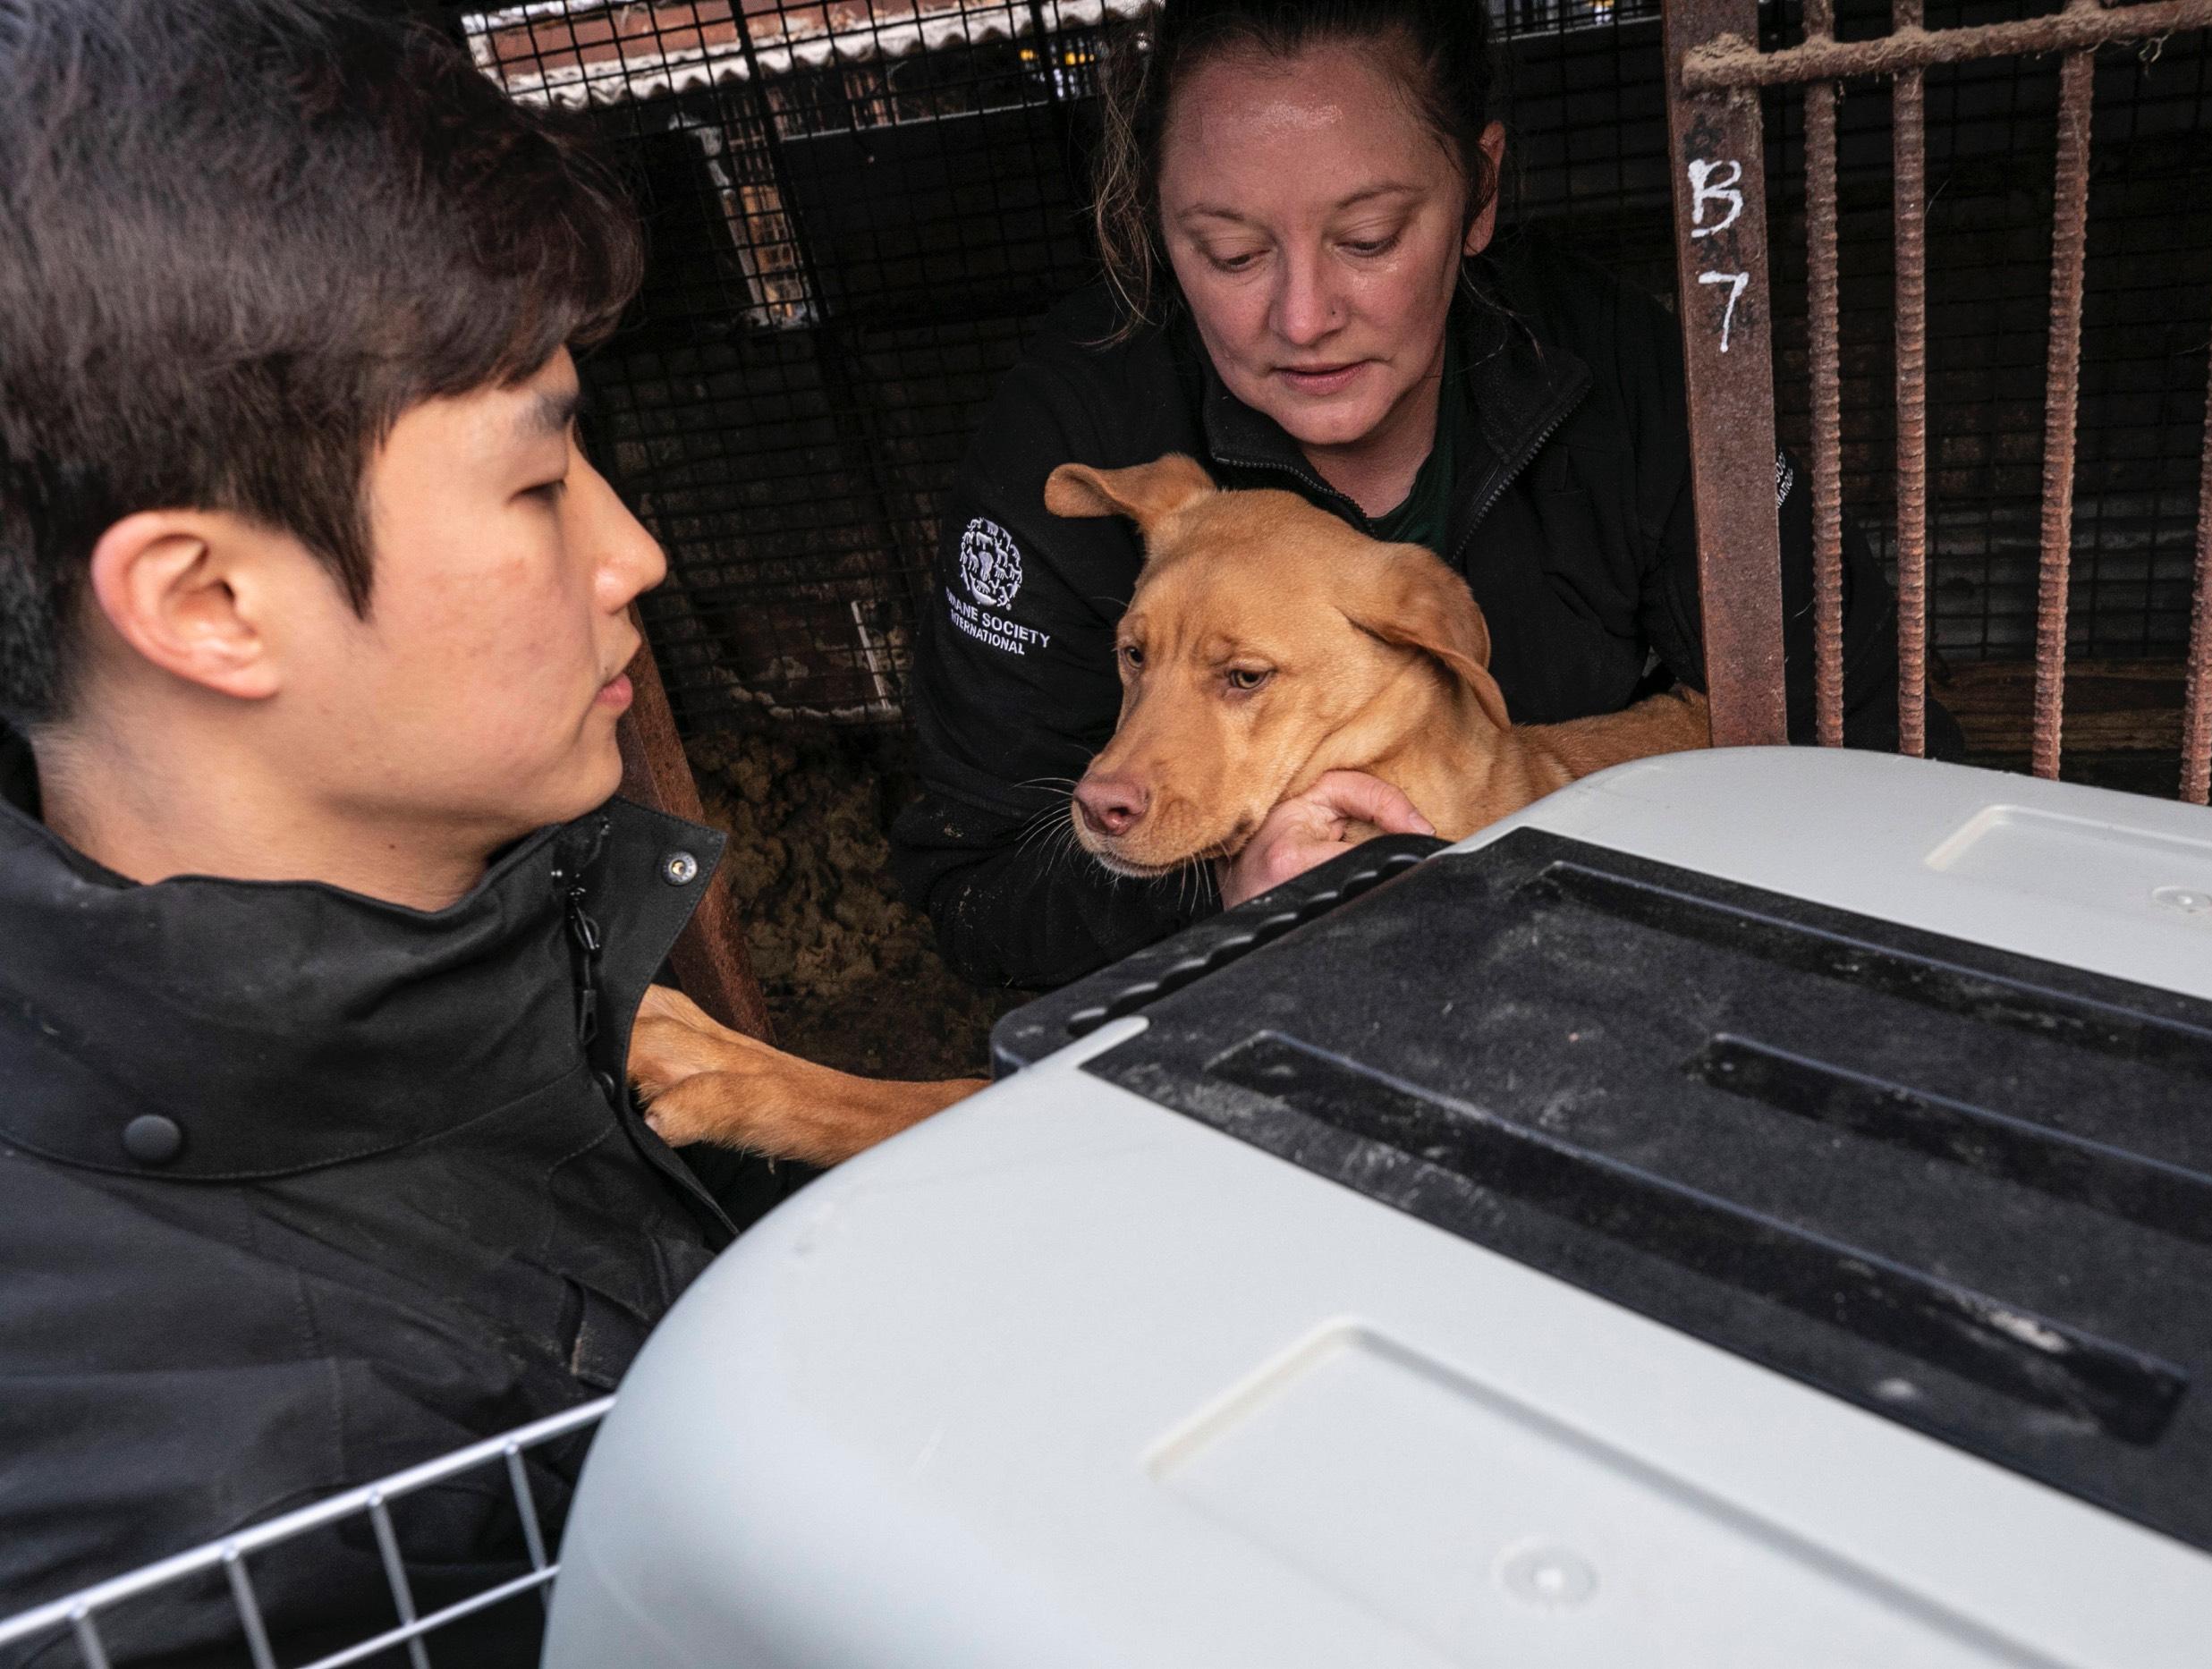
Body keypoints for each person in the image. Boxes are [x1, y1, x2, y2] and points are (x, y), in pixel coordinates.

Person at [0, 4, 817, 1661]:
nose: (633, 552)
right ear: (211, 602)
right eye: (538, 483)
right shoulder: (272, 1525)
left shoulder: (430, 943)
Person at [892, 0, 1948, 993]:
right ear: (1155, 225)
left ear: (1479, 193)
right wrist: (1220, 893)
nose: (1302, 318)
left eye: (1367, 240)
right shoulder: (1075, 433)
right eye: (1229, 251)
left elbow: (1870, 734)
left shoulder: (1622, 374)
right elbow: (975, 888)